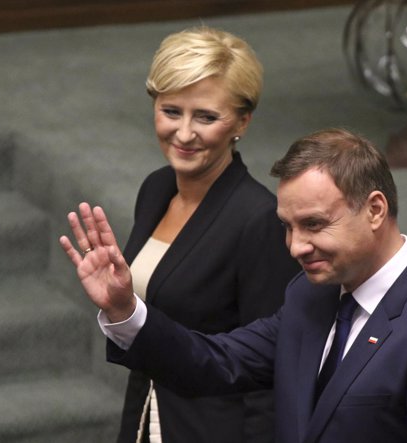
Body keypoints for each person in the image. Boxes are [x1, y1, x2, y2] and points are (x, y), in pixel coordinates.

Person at [61, 128, 407, 443]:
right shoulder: (309, 295)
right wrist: (124, 309)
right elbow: (217, 362)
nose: (295, 247)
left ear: (375, 210)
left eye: (313, 225)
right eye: (287, 228)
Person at [59, 26, 300, 443]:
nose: (184, 134)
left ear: (242, 121)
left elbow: (272, 370)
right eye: (171, 111)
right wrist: (120, 305)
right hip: (146, 417)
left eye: (206, 116)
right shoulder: (156, 188)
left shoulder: (259, 219)